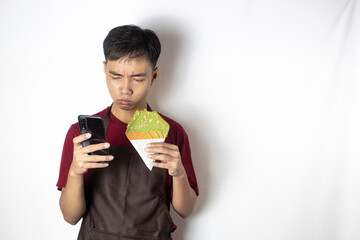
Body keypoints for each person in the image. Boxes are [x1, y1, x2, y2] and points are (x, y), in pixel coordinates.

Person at [56, 25, 199, 239]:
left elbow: (185, 210)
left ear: (154, 75)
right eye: (115, 76)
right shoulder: (81, 134)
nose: (125, 89)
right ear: (105, 70)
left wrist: (178, 173)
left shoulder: (173, 133)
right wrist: (75, 172)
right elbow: (70, 216)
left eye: (137, 79)